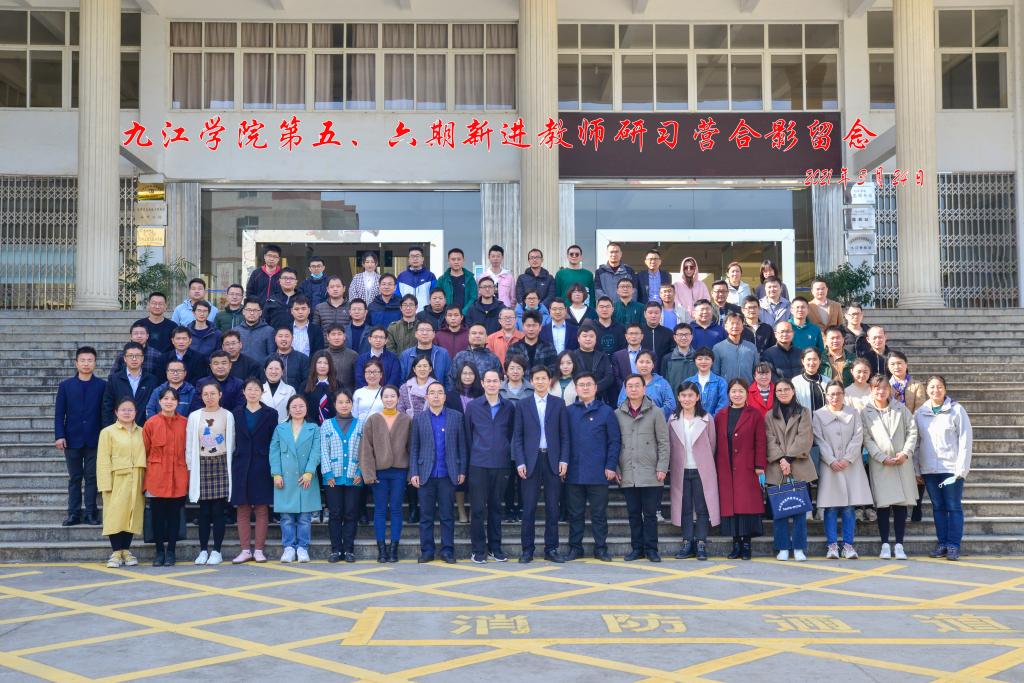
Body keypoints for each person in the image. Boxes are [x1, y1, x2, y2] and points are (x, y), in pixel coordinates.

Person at [512, 366, 570, 563]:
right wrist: (520, 461)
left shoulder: (558, 403)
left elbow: (565, 435)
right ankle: (527, 549)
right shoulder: (523, 404)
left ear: (549, 380)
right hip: (530, 461)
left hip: (552, 460)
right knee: (528, 508)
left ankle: (551, 549)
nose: (540, 382)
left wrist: (564, 459)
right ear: (531, 381)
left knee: (553, 508)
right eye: (536, 378)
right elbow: (517, 437)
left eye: (544, 378)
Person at [564, 373, 621, 562]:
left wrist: (611, 465)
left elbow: (614, 441)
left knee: (599, 514)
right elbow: (563, 440)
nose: (585, 388)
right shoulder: (568, 412)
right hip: (574, 471)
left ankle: (601, 548)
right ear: (576, 388)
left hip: (599, 471)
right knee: (575, 514)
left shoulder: (606, 411)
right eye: (581, 384)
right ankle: (575, 548)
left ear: (596, 388)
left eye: (589, 384)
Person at [915, 375, 973, 561]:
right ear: (926, 390)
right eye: (932, 387)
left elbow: (965, 441)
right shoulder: (920, 413)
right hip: (929, 469)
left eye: (939, 387)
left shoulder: (956, 410)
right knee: (938, 507)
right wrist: (917, 469)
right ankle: (942, 544)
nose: (935, 390)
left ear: (945, 389)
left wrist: (961, 469)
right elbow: (916, 443)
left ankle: (953, 545)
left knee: (953, 506)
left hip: (951, 469)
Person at [862, 375, 919, 560]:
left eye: (884, 388)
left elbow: (912, 431)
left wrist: (906, 453)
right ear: (871, 390)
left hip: (901, 462)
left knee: (901, 506)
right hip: (881, 464)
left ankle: (899, 544)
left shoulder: (900, 408)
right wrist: (881, 457)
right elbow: (866, 439)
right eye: (877, 388)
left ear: (890, 390)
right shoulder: (865, 412)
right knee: (883, 506)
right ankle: (885, 544)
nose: (881, 391)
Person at [409, 382, 467, 564]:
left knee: (447, 515)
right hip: (425, 474)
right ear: (426, 397)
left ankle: (447, 550)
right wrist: (413, 472)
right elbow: (414, 447)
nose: (436, 396)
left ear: (445, 397)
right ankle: (427, 551)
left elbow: (462, 446)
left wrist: (462, 470)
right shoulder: (419, 418)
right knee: (426, 516)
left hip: (448, 474)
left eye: (439, 393)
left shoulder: (456, 417)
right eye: (432, 393)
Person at [615, 374, 670, 562]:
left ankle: (652, 549)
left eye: (637, 385)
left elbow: (664, 442)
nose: (633, 389)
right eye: (629, 386)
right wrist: (617, 468)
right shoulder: (618, 413)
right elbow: (614, 443)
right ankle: (636, 548)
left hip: (651, 472)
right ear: (625, 389)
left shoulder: (656, 412)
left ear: (644, 388)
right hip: (628, 471)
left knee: (650, 514)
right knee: (633, 514)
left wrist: (662, 466)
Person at [814, 381, 871, 560]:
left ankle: (848, 545)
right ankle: (832, 545)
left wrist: (847, 458)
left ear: (843, 395)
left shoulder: (853, 413)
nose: (835, 397)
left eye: (839, 393)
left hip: (850, 465)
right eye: (831, 394)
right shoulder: (818, 415)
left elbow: (858, 436)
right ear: (826, 395)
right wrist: (831, 460)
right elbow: (819, 439)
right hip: (829, 466)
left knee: (848, 507)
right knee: (830, 507)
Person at [463, 369, 515, 563]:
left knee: (496, 507)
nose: (492, 384)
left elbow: (511, 433)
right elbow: (468, 435)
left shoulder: (509, 407)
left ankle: (495, 547)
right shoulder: (473, 406)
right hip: (478, 463)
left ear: (501, 383)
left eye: (495, 381)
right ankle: (478, 550)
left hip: (501, 463)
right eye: (488, 381)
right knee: (477, 508)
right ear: (482, 383)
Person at [714, 379, 766, 561]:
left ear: (746, 394)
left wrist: (760, 466)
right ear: (728, 394)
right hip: (726, 467)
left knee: (746, 507)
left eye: (741, 391)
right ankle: (735, 544)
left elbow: (761, 442)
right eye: (734, 391)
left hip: (747, 467)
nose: (737, 394)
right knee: (732, 508)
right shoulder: (721, 415)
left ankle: (746, 545)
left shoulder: (755, 414)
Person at [185, 380, 236, 566]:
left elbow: (231, 442)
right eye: (206, 394)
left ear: (220, 395)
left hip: (221, 463)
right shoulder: (194, 416)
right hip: (201, 464)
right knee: (204, 511)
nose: (209, 397)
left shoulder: (228, 415)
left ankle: (217, 551)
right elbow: (190, 443)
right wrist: (190, 466)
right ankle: (203, 550)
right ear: (201, 396)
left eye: (213, 393)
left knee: (218, 511)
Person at [765, 379, 816, 562]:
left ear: (793, 391)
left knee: (799, 511)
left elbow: (805, 437)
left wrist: (788, 458)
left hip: (799, 465)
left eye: (786, 389)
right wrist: (781, 459)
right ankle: (783, 547)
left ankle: (799, 547)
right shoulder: (769, 415)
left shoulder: (803, 412)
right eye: (779, 390)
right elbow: (769, 439)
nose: (783, 392)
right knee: (780, 511)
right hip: (777, 467)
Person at [55, 346, 106, 527]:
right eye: (82, 360)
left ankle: (91, 513)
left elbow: (105, 412)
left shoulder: (102, 385)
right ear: (76, 363)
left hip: (95, 438)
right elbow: (59, 413)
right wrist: (59, 435)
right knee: (75, 478)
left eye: (90, 360)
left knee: (92, 477)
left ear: (95, 363)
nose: (86, 364)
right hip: (71, 438)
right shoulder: (66, 386)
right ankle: (73, 513)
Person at [360, 385, 412, 563]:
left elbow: (411, 447)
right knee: (380, 510)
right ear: (381, 399)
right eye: (386, 396)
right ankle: (381, 549)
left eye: (392, 396)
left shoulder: (406, 420)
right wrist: (369, 473)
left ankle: (394, 548)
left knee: (396, 509)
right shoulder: (373, 420)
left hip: (399, 471)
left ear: (398, 398)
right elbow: (366, 449)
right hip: (379, 473)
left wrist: (411, 473)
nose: (389, 399)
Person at [669, 381, 718, 561]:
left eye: (691, 395)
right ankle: (687, 541)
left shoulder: (706, 418)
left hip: (701, 469)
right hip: (681, 469)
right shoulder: (672, 419)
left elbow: (712, 444)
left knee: (702, 507)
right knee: (685, 508)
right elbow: (669, 445)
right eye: (683, 395)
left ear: (697, 397)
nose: (687, 399)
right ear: (678, 397)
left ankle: (701, 542)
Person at [231, 378, 277, 564]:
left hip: (262, 465)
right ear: (243, 392)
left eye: (256, 389)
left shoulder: (271, 414)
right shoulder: (235, 413)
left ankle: (258, 550)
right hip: (241, 465)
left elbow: (274, 441)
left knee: (261, 508)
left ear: (262, 392)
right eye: (249, 389)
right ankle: (245, 550)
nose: (252, 392)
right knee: (242, 508)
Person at [270, 396, 321, 563]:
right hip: (285, 477)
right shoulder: (280, 428)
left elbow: (316, 451)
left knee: (305, 517)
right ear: (288, 410)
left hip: (306, 477)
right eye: (294, 406)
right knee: (286, 518)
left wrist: (309, 472)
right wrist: (276, 473)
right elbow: (274, 451)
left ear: (306, 408)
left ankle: (303, 547)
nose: (298, 409)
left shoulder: (313, 428)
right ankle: (289, 548)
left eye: (301, 406)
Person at [97, 397, 147, 568]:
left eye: (130, 410)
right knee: (115, 515)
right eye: (123, 410)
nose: (127, 413)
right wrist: (105, 484)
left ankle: (126, 550)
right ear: (116, 412)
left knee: (131, 515)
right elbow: (103, 459)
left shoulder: (142, 431)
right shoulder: (108, 432)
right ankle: (116, 552)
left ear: (136, 412)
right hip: (117, 478)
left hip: (137, 477)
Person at [142, 388, 188, 567]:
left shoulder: (185, 423)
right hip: (157, 477)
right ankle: (159, 551)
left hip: (178, 476)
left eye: (173, 399)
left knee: (175, 516)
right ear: (159, 401)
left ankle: (171, 552)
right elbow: (144, 451)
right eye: (166, 398)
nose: (169, 402)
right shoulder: (151, 423)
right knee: (157, 517)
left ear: (177, 402)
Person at [320, 390, 363, 563]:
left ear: (352, 404)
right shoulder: (326, 425)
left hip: (354, 476)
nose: (344, 405)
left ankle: (349, 550)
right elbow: (323, 450)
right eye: (340, 402)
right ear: (334, 404)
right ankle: (336, 550)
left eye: (347, 402)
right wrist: (327, 473)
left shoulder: (361, 424)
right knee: (335, 514)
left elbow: (365, 451)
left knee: (351, 513)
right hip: (332, 477)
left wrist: (360, 472)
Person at [103, 343, 158, 427]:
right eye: (130, 356)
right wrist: (108, 428)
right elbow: (107, 406)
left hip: (144, 427)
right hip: (119, 428)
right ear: (125, 358)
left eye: (137, 356)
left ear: (142, 358)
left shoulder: (152, 380)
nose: (134, 359)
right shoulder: (114, 379)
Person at [616, 350, 675, 419]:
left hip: (656, 421)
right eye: (641, 362)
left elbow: (671, 404)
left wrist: (654, 415)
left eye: (648, 362)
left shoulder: (662, 383)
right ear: (636, 364)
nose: (644, 365)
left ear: (653, 365)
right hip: (633, 421)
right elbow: (621, 403)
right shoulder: (629, 381)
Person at [450, 323, 503, 389]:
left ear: (486, 337)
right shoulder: (460, 356)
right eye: (474, 333)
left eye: (481, 333)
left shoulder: (493, 358)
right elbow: (451, 379)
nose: (477, 336)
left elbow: (499, 380)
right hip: (463, 394)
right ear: (468, 336)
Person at [399, 320, 452, 385]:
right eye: (421, 330)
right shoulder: (406, 355)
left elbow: (448, 380)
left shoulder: (443, 354)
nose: (425, 333)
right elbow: (402, 380)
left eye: (428, 330)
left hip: (437, 391)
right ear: (416, 334)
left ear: (434, 334)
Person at [571, 323, 614, 401]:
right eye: (584, 336)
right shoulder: (571, 356)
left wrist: (594, 388)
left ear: (596, 339)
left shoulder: (603, 356)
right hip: (576, 398)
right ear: (578, 339)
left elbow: (609, 377)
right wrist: (581, 389)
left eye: (591, 336)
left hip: (599, 398)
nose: (588, 339)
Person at [712, 313, 759, 383]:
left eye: (738, 323)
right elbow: (715, 373)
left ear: (742, 326)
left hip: (748, 388)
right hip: (726, 388)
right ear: (725, 326)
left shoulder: (751, 347)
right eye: (732, 323)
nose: (735, 326)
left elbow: (757, 371)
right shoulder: (718, 348)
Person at [686, 348, 728, 417]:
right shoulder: (688, 382)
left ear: (712, 361)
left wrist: (710, 420)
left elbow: (723, 405)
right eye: (700, 359)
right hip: (692, 421)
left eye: (707, 359)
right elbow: (685, 403)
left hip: (715, 422)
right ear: (695, 361)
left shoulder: (721, 382)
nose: (703, 362)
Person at [233, 297, 276, 362]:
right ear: (243, 312)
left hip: (261, 367)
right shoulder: (235, 331)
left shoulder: (269, 331)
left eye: (255, 310)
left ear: (260, 313)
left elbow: (272, 355)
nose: (252, 313)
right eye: (249, 310)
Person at [304, 350, 339, 425]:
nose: (322, 366)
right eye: (319, 363)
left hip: (334, 426)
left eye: (326, 363)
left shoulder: (339, 385)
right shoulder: (305, 385)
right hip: (311, 426)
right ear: (314, 364)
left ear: (330, 365)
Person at [397, 245, 436, 310]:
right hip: (406, 313)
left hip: (425, 314)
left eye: (417, 256)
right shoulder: (401, 277)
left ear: (422, 259)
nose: (415, 259)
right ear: (408, 259)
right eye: (412, 256)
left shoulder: (430, 276)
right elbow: (397, 297)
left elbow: (434, 296)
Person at [399, 355, 437, 421]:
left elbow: (438, 409)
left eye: (425, 366)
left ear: (430, 369)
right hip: (407, 424)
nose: (422, 369)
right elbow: (400, 408)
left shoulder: (437, 388)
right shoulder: (404, 388)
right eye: (419, 366)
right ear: (414, 369)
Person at [661, 323, 696, 393]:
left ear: (691, 337)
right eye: (680, 335)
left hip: (694, 398)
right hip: (674, 398)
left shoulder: (698, 357)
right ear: (674, 337)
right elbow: (664, 382)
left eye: (686, 334)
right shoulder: (667, 358)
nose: (684, 338)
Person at [324, 324, 358, 392]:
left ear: (344, 336)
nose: (336, 337)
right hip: (326, 394)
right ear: (328, 337)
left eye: (339, 334)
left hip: (347, 394)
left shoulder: (353, 355)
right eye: (333, 334)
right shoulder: (322, 355)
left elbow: (357, 379)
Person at [261, 358, 296, 422]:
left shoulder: (290, 390)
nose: (273, 372)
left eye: (277, 369)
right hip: (262, 426)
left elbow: (292, 413)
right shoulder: (258, 389)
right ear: (265, 370)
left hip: (283, 426)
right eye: (270, 368)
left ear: (282, 371)